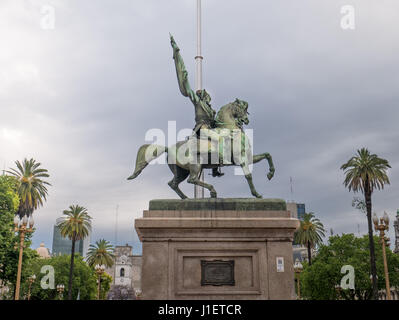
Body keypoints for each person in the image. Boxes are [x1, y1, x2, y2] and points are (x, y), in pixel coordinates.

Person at [170, 34, 223, 177]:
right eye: (204, 94)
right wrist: (177, 55)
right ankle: (215, 168)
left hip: (211, 128)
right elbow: (187, 88)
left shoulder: (210, 109)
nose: (206, 95)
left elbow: (217, 122)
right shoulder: (198, 102)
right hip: (202, 129)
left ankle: (215, 168)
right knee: (219, 139)